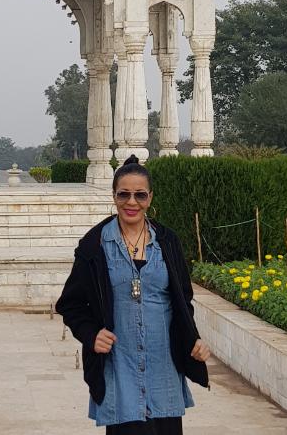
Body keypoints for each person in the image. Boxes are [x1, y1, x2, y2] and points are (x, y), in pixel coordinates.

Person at [56, 155, 210, 434]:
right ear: (114, 196)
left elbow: (182, 301)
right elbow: (70, 304)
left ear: (150, 198)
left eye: (140, 195)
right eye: (123, 194)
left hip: (164, 366)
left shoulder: (168, 242)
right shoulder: (94, 246)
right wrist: (91, 334)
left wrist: (193, 339)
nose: (131, 202)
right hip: (119, 366)